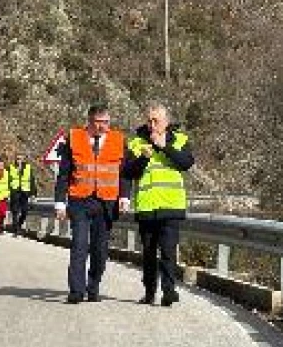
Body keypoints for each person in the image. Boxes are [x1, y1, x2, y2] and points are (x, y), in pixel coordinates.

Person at [55, 104, 131, 303]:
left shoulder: (118, 140)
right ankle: (76, 291)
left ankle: (93, 284)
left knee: (100, 249)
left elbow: (124, 174)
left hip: (106, 202)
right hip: (80, 200)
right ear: (89, 121)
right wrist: (59, 203)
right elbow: (63, 173)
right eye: (98, 122)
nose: (102, 127)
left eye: (106, 122)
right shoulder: (74, 138)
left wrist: (124, 197)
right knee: (79, 245)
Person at [121, 102, 194, 306]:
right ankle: (149, 291)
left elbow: (186, 163)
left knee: (168, 252)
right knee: (149, 253)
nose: (152, 124)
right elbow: (128, 172)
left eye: (156, 120)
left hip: (171, 206)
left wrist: (164, 147)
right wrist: (143, 159)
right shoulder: (136, 142)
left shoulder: (179, 139)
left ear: (166, 122)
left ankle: (169, 291)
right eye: (149, 120)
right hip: (146, 207)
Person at [8, 154, 37, 237]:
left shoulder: (28, 167)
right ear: (15, 159)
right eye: (17, 159)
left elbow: (32, 180)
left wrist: (33, 193)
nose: (19, 160)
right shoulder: (11, 167)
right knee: (15, 211)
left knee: (25, 211)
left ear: (23, 159)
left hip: (24, 192)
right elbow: (8, 180)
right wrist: (8, 192)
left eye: (20, 159)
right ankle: (16, 230)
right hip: (15, 192)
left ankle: (19, 225)